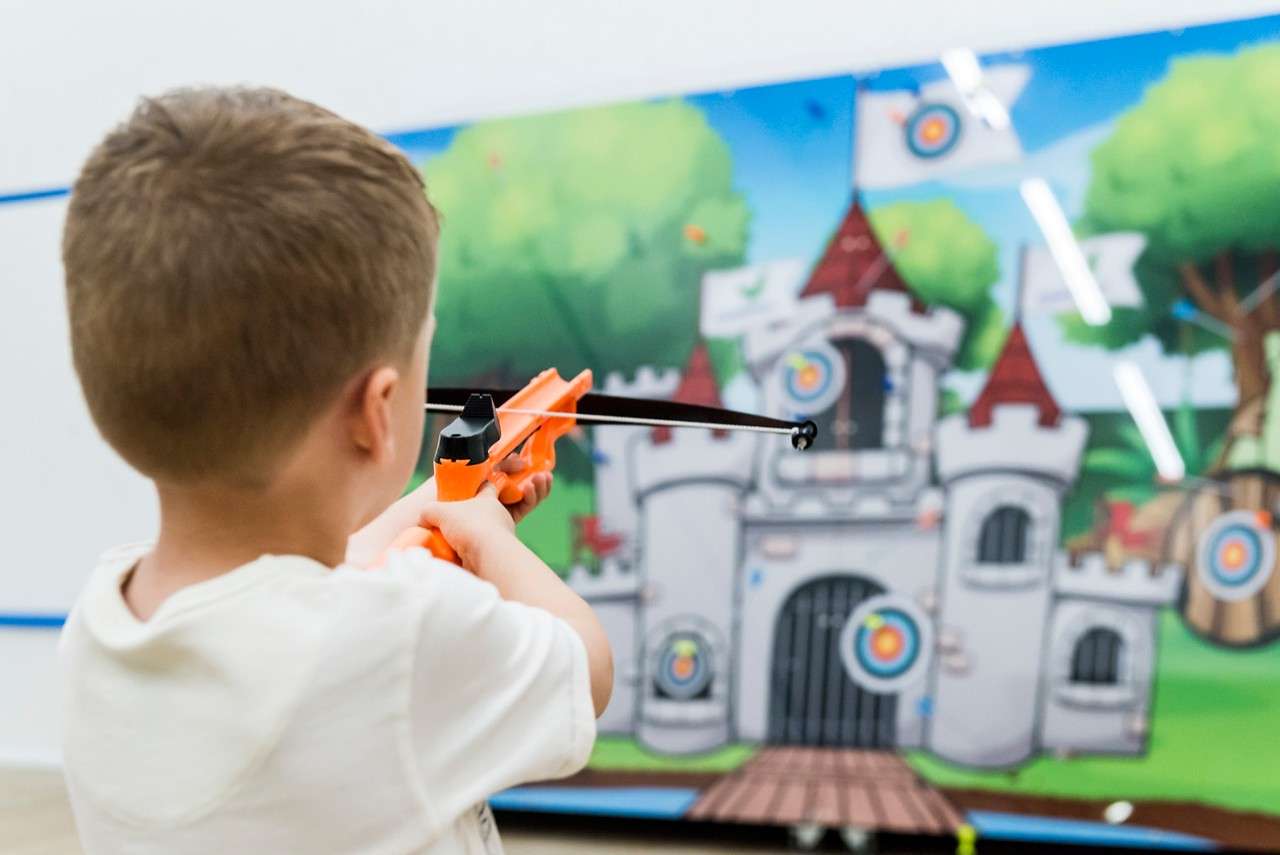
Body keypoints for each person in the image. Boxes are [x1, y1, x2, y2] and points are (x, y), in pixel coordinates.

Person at [57, 86, 613, 854]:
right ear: (377, 412)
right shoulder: (405, 634)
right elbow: (584, 669)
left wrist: (436, 507)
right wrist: (492, 542)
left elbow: (301, 587)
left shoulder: (98, 629)